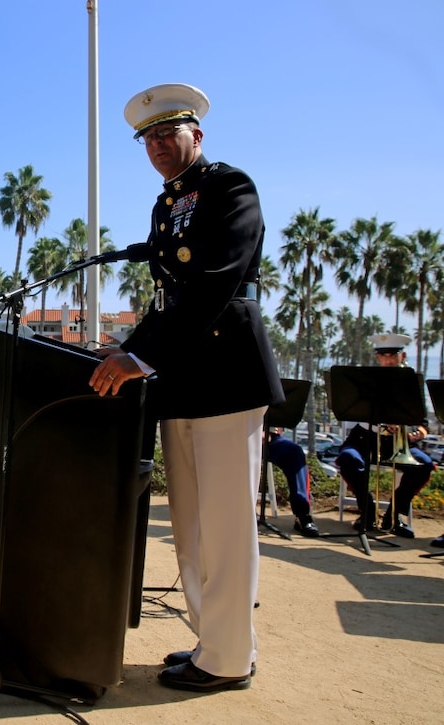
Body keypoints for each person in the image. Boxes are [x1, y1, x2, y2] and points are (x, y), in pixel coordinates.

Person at [89, 83, 283, 693]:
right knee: (193, 524)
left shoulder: (230, 188)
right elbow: (168, 296)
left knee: (225, 523)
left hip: (227, 371)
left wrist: (139, 354)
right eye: (147, 139)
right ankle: (214, 641)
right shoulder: (166, 204)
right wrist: (127, 349)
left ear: (196, 135)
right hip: (183, 375)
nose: (156, 147)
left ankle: (229, 659)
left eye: (167, 134)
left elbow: (214, 282)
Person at [335, 333, 434, 538]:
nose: (388, 359)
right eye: (384, 355)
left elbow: (422, 422)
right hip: (365, 438)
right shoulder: (366, 382)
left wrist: (418, 433)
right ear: (377, 357)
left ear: (402, 355)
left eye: (393, 355)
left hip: (398, 441)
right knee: (348, 459)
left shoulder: (410, 382)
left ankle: (394, 515)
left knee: (423, 465)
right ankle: (367, 511)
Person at [266, 430, 317, 536]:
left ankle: (302, 515)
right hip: (230, 436)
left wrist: (267, 432)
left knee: (294, 451)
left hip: (262, 436)